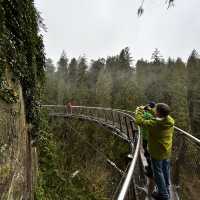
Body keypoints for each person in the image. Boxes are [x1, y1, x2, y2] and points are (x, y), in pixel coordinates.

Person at [135, 103, 174, 200]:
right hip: (166, 151)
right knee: (165, 171)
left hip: (157, 152)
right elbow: (159, 114)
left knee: (158, 173)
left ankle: (164, 195)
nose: (154, 110)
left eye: (156, 109)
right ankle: (166, 190)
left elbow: (139, 121)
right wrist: (149, 109)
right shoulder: (169, 120)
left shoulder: (154, 124)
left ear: (159, 113)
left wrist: (139, 110)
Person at [140, 102, 156, 178]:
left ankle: (150, 171)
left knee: (147, 153)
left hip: (146, 137)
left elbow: (138, 120)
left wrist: (139, 110)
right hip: (153, 137)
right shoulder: (155, 116)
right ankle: (149, 168)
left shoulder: (147, 115)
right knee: (149, 154)